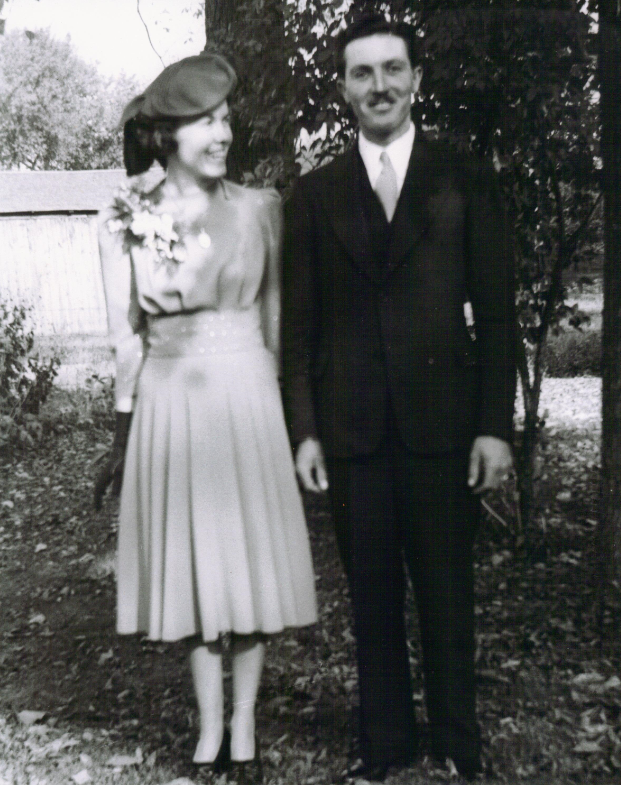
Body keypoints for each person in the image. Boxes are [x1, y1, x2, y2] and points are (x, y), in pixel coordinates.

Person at [282, 14, 516, 783]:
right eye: (362, 72)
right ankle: (385, 744)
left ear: (416, 78)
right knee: (372, 599)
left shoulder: (464, 176)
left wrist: (494, 427)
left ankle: (456, 741)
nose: (378, 85)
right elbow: (298, 329)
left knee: (448, 593)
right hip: (351, 432)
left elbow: (498, 313)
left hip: (443, 428)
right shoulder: (313, 195)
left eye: (391, 69)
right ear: (343, 88)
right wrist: (304, 431)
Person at [94, 53, 317, 783]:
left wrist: (285, 415)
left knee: (247, 559)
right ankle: (209, 723)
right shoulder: (123, 216)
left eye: (225, 119)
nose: (223, 134)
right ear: (166, 135)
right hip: (170, 399)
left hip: (247, 393)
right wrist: (123, 433)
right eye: (205, 122)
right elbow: (125, 336)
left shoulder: (259, 208)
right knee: (191, 561)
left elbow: (275, 318)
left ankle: (245, 722)